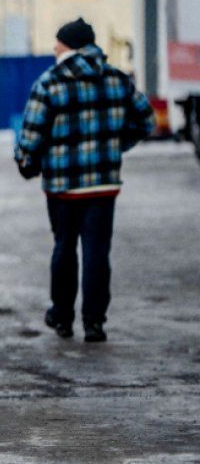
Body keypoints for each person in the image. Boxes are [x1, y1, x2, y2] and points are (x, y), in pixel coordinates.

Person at [15, 18, 155, 343]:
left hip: (63, 186)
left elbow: (32, 134)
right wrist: (116, 145)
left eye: (58, 42)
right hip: (104, 184)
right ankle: (94, 322)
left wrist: (26, 162)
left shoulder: (50, 82)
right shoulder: (117, 79)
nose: (54, 47)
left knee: (64, 247)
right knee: (97, 252)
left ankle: (62, 317)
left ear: (70, 46)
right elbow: (145, 120)